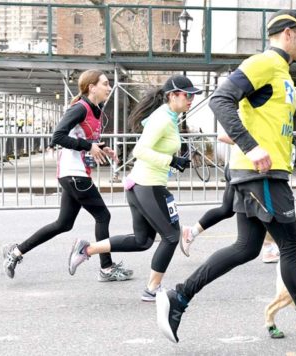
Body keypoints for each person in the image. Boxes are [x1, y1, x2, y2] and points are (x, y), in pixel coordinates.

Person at [156, 9, 296, 349]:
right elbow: (221, 100)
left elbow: (284, 136)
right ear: (289, 33)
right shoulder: (264, 63)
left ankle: (179, 296)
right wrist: (251, 146)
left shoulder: (284, 75)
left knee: (247, 247)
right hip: (260, 174)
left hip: (268, 171)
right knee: (292, 246)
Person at [67, 75, 201, 301]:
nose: (191, 99)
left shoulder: (169, 116)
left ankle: (86, 249)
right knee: (171, 236)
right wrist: (172, 161)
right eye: (187, 95)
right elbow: (139, 151)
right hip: (148, 185)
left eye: (193, 95)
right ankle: (152, 288)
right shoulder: (162, 119)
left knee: (143, 241)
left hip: (142, 184)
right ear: (172, 96)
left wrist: (173, 159)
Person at [1, 69, 133, 282]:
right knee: (103, 216)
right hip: (74, 175)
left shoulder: (94, 110)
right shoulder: (79, 108)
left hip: (74, 174)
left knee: (63, 223)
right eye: (105, 83)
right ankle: (106, 269)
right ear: (92, 87)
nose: (109, 87)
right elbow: (58, 137)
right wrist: (88, 146)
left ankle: (15, 252)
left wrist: (101, 147)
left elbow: (82, 138)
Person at [179, 133, 280, 263]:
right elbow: (223, 136)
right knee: (262, 208)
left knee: (227, 209)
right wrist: (253, 146)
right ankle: (268, 248)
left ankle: (191, 232)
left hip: (242, 169)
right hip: (243, 169)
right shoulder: (246, 114)